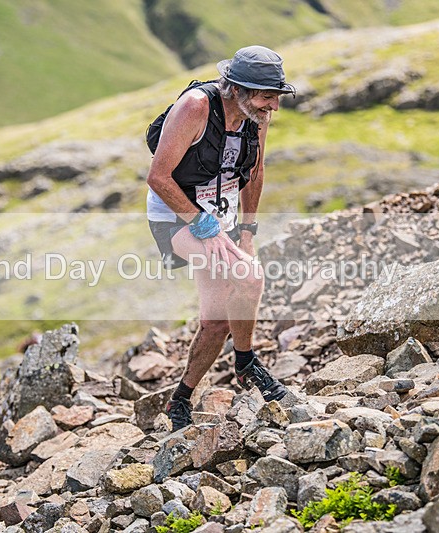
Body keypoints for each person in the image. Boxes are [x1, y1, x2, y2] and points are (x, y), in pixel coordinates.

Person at [146, 46, 296, 431]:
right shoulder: (195, 107)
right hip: (176, 216)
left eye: (277, 97)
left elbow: (256, 171)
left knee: (216, 322)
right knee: (249, 277)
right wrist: (202, 225)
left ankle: (179, 399)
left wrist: (247, 231)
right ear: (238, 89)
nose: (274, 106)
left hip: (222, 213)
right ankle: (246, 363)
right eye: (267, 97)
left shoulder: (255, 115)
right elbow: (158, 178)